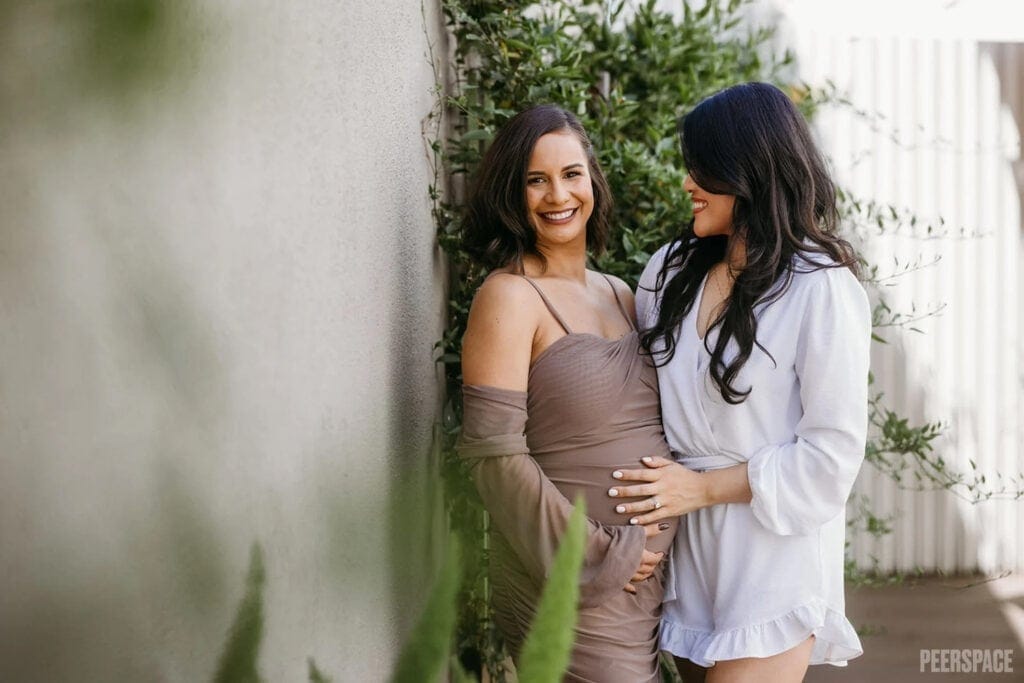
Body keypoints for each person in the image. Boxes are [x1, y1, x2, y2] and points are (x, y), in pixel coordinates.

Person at [609, 82, 871, 682]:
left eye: (701, 168)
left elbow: (830, 458)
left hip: (774, 558)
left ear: (747, 169)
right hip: (686, 555)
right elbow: (637, 408)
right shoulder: (669, 271)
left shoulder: (820, 287)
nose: (687, 183)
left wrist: (698, 491)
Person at [456, 104, 678, 682]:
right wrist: (598, 555)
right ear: (514, 192)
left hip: (648, 594)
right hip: (568, 586)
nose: (558, 194)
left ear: (593, 182)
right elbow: (494, 457)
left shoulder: (623, 294)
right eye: (536, 179)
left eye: (571, 174)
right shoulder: (508, 297)